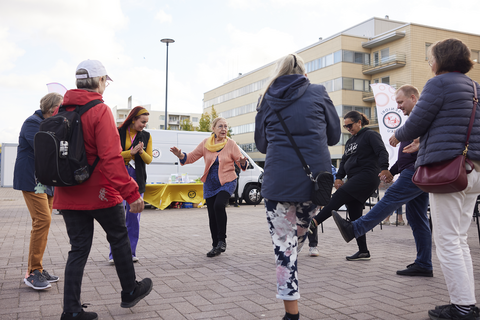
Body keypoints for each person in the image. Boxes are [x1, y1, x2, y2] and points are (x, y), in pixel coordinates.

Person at [54, 59, 152, 320]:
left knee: (78, 249)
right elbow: (110, 158)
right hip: (99, 191)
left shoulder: (60, 110)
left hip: (67, 192)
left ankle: (71, 310)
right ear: (99, 81)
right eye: (105, 81)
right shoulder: (99, 110)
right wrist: (132, 194)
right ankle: (129, 291)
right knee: (119, 237)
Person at [393, 39, 480, 320]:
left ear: (441, 59)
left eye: (431, 58)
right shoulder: (475, 87)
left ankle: (463, 308)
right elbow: (453, 125)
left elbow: (416, 123)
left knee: (447, 240)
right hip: (473, 170)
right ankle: (467, 302)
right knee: (459, 239)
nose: (430, 64)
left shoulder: (438, 84)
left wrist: (402, 134)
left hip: (449, 172)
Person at [255, 53, 341, 320]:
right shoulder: (318, 92)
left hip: (278, 183)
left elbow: (261, 145)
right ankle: (291, 313)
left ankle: (290, 311)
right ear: (303, 71)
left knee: (285, 250)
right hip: (314, 184)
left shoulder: (266, 98)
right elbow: (334, 135)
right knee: (295, 243)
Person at [332, 85, 433, 277]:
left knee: (390, 198)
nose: (399, 107)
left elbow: (423, 146)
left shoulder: (422, 117)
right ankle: (424, 264)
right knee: (417, 219)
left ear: (413, 97)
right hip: (413, 171)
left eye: (401, 102)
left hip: (416, 172)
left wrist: (401, 136)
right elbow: (407, 154)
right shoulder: (413, 120)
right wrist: (391, 171)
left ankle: (355, 227)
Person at [310, 110, 391, 261]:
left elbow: (381, 151)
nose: (348, 129)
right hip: (354, 178)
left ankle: (314, 222)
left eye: (350, 125)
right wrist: (339, 177)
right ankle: (363, 251)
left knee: (339, 196)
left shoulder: (370, 135)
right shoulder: (350, 141)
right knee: (354, 213)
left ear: (359, 122)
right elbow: (344, 161)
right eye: (345, 127)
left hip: (367, 176)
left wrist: (385, 167)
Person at [170, 117, 247, 258]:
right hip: (210, 184)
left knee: (219, 206)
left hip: (227, 181)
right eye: (220, 126)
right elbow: (191, 157)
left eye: (225, 126)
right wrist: (180, 155)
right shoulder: (206, 143)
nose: (224, 129)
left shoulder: (231, 144)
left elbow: (241, 162)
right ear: (213, 129)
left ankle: (222, 241)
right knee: (212, 215)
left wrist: (242, 162)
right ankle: (215, 246)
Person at [13, 92, 63, 290]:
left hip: (46, 180)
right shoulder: (32, 123)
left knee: (42, 223)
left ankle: (38, 268)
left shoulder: (49, 124)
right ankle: (32, 272)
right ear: (52, 108)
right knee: (43, 220)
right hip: (32, 180)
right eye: (61, 107)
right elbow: (45, 148)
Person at [109, 106, 152, 264]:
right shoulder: (118, 132)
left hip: (137, 180)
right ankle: (114, 254)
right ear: (133, 119)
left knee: (134, 218)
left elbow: (149, 160)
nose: (144, 125)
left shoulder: (146, 136)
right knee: (117, 217)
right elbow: (112, 156)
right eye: (142, 122)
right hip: (118, 179)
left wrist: (141, 152)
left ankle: (131, 252)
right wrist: (130, 153)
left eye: (146, 123)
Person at [307, 164, 337, 257]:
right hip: (298, 187)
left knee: (311, 216)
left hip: (314, 188)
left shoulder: (318, 154)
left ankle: (313, 245)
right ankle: (294, 244)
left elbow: (330, 169)